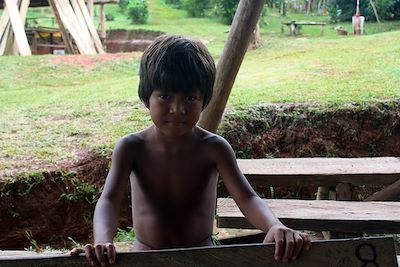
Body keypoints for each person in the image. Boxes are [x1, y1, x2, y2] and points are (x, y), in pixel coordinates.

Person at [70, 34, 311, 266]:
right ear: (146, 98)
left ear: (204, 101)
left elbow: (247, 198)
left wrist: (273, 225)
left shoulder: (214, 149)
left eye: (190, 98)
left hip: (203, 258)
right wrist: (102, 241)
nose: (177, 109)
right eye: (165, 96)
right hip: (146, 259)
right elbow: (109, 200)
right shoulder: (131, 148)